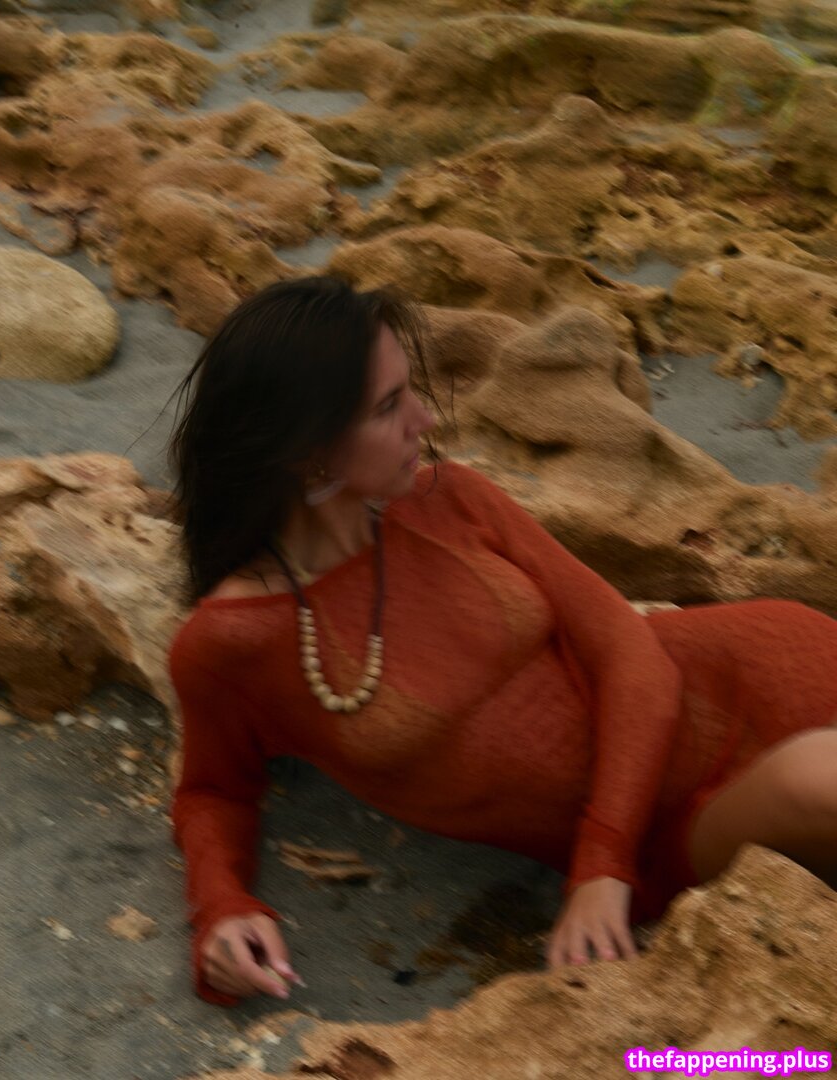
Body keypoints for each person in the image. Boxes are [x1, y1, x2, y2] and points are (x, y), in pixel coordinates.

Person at [166, 276, 837, 1006]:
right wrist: (222, 907)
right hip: (680, 820)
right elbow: (212, 790)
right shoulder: (232, 643)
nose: (424, 418)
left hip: (748, 675)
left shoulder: (452, 499)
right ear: (307, 451)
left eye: (410, 391)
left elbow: (630, 649)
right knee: (817, 785)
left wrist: (599, 864)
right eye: (389, 406)